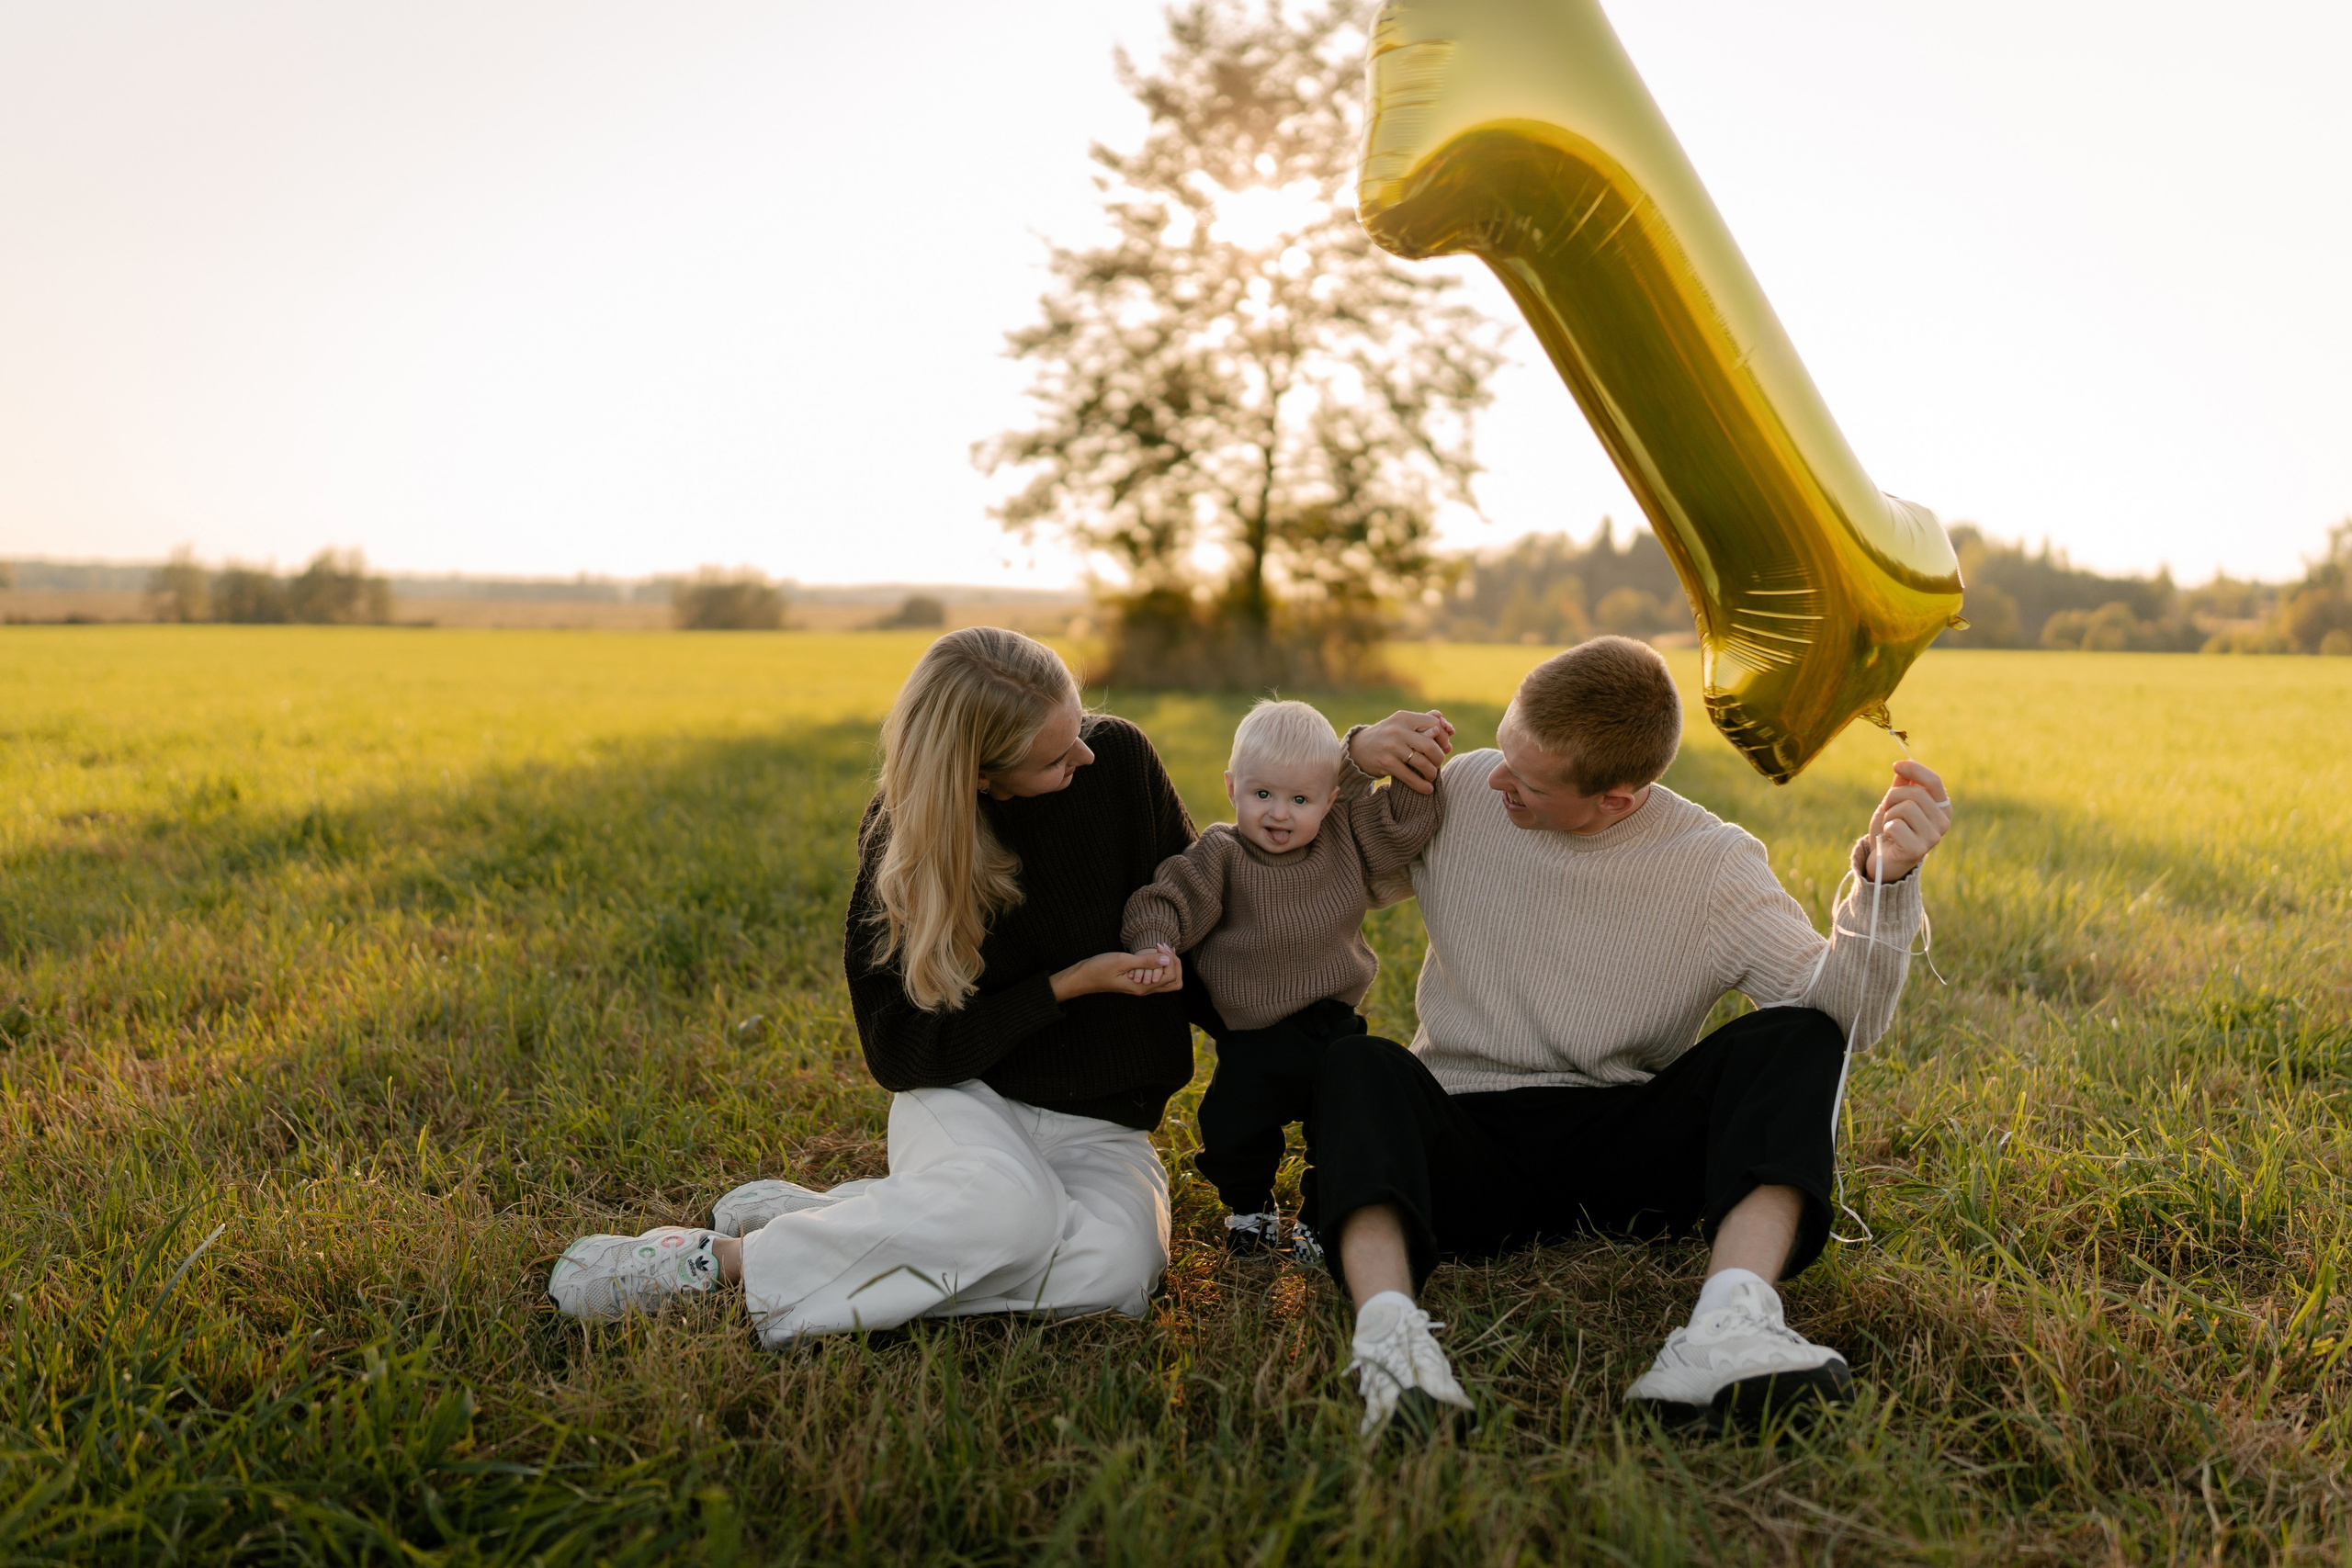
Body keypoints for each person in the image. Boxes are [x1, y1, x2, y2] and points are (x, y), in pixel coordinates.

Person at [1322, 637, 1951, 1435]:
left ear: (1618, 798)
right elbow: (1306, 870)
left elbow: (1847, 1016)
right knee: (1354, 1060)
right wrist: (1350, 758)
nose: (1497, 780)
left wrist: (1886, 880)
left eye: (1529, 780)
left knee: (1800, 1035)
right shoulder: (1464, 789)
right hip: (1462, 1143)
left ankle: (1729, 1326)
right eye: (1505, 750)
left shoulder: (1713, 862)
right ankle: (1390, 1339)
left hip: (1624, 1153)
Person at [548, 626, 1198, 1341]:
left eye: (1078, 724)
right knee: (1013, 1216)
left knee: (1118, 1273)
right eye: (1055, 757)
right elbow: (901, 1050)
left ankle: (858, 1220)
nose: (1086, 753)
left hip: (1102, 1126)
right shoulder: (906, 843)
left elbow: (1203, 906)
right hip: (969, 1103)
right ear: (981, 775)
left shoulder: (1120, 762)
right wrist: (1064, 987)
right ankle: (718, 1263)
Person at [1119, 699, 1443, 1261]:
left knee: (1343, 1133)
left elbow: (1405, 824)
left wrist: (1419, 762)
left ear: (1331, 798)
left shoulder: (1343, 834)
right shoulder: (1221, 852)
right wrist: (1154, 941)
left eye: (1300, 799)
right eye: (1261, 794)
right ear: (1230, 787)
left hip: (1331, 1028)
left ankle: (1320, 1218)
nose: (1279, 814)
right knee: (1231, 1130)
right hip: (1253, 1035)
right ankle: (1251, 1209)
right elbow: (1168, 897)